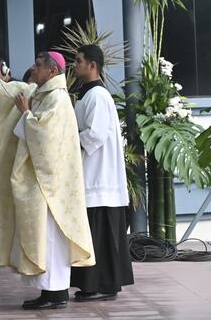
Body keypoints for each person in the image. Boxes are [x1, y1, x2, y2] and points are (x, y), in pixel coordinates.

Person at [0, 52, 94, 310]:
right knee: (42, 237)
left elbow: (46, 137)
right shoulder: (41, 92)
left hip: (50, 185)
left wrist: (27, 114)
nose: (33, 68)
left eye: (39, 66)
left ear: (52, 72)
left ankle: (56, 293)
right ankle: (49, 291)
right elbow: (11, 91)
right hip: (40, 181)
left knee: (51, 240)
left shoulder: (58, 100)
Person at [70, 44, 134, 301]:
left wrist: (68, 138)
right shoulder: (89, 94)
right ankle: (95, 284)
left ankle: (101, 286)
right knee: (96, 234)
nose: (74, 65)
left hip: (99, 177)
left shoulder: (98, 95)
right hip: (92, 172)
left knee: (99, 234)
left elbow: (95, 135)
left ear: (92, 65)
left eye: (78, 61)